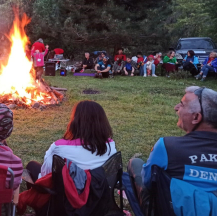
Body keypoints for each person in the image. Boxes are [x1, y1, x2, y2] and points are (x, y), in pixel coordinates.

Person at [128, 87, 217, 215]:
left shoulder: (167, 146)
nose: (176, 108)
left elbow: (147, 182)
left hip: (170, 211)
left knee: (135, 163)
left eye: (182, 104)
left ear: (196, 117)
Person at [26, 100, 116, 182]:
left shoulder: (59, 147)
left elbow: (46, 174)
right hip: (99, 194)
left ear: (75, 121)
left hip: (67, 196)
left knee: (32, 166)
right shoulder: (110, 145)